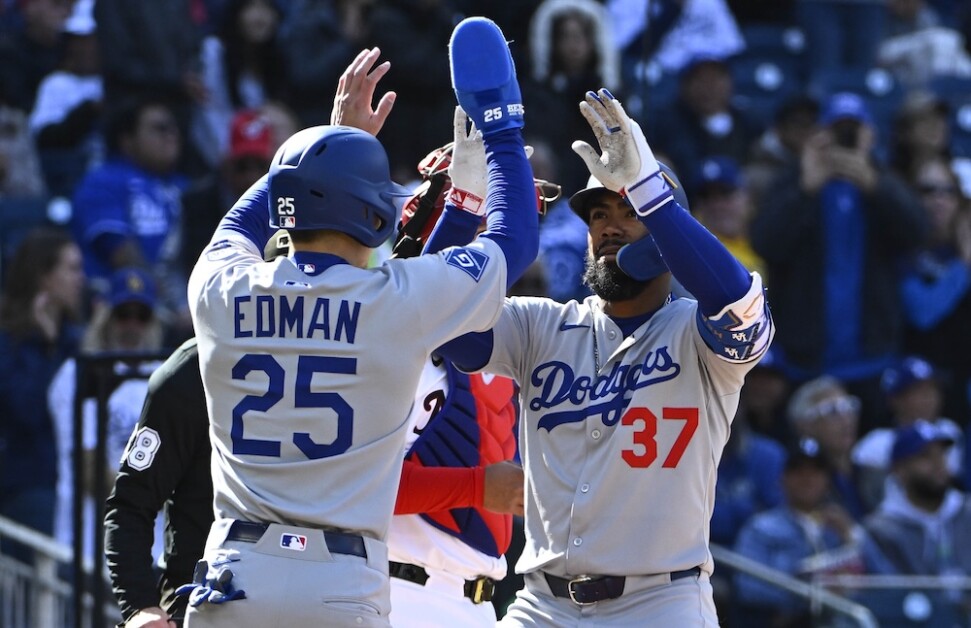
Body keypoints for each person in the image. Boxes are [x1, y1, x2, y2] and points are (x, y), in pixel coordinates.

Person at [182, 17, 538, 626]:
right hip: (339, 576)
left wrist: (328, 140)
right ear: (375, 217)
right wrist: (500, 130)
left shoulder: (218, 284)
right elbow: (515, 241)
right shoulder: (391, 299)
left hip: (234, 573)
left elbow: (243, 223)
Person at [433, 87, 775, 625]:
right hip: (541, 603)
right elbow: (433, 315)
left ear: (666, 230)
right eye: (598, 215)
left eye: (628, 211)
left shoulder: (700, 336)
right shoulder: (541, 324)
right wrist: (463, 207)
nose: (608, 227)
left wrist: (654, 198)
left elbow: (738, 303)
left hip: (659, 602)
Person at [103, 233, 291, 628]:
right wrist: (140, 605)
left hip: (312, 595)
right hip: (207, 598)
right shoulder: (193, 369)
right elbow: (131, 504)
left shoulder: (353, 369)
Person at [386, 136, 528, 627]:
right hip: (398, 590)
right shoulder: (400, 337)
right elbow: (358, 484)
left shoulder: (502, 336)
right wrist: (476, 487)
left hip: (479, 602)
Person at [751, 91, 927, 435]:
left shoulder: (885, 180)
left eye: (853, 130)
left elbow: (916, 234)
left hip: (871, 359)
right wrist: (806, 187)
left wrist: (875, 184)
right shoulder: (793, 181)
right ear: (820, 134)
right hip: (804, 360)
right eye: (837, 130)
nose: (845, 139)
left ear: (870, 135)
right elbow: (766, 242)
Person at [47, 266, 163, 565]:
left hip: (152, 550)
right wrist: (152, 493)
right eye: (123, 314)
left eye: (142, 316)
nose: (132, 325)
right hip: (86, 546)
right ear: (105, 316)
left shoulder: (164, 378)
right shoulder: (78, 375)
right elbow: (88, 469)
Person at [733, 438, 889, 628]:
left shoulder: (842, 525)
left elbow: (887, 580)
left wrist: (854, 536)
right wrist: (811, 594)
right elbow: (748, 587)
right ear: (782, 478)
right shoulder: (761, 528)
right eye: (798, 470)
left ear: (828, 480)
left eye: (816, 471)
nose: (807, 478)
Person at [0, 227, 84, 556]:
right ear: (45, 277)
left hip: (76, 481)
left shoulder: (75, 339)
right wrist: (46, 347)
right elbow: (28, 411)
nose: (81, 278)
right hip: (30, 484)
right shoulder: (9, 341)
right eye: (72, 268)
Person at [864, 420, 971, 624]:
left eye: (941, 454)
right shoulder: (881, 530)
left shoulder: (967, 512)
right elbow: (893, 598)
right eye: (925, 457)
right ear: (899, 470)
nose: (938, 463)